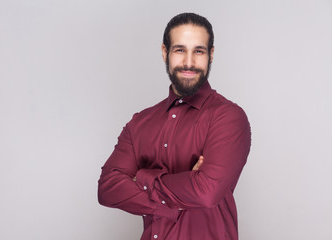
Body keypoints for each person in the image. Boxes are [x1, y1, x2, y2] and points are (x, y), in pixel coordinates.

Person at [98, 12, 251, 240]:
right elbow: (107, 188)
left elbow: (206, 192)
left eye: (198, 51)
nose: (189, 62)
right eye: (180, 50)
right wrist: (181, 189)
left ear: (211, 55)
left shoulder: (228, 117)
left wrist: (141, 179)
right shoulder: (140, 123)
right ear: (164, 53)